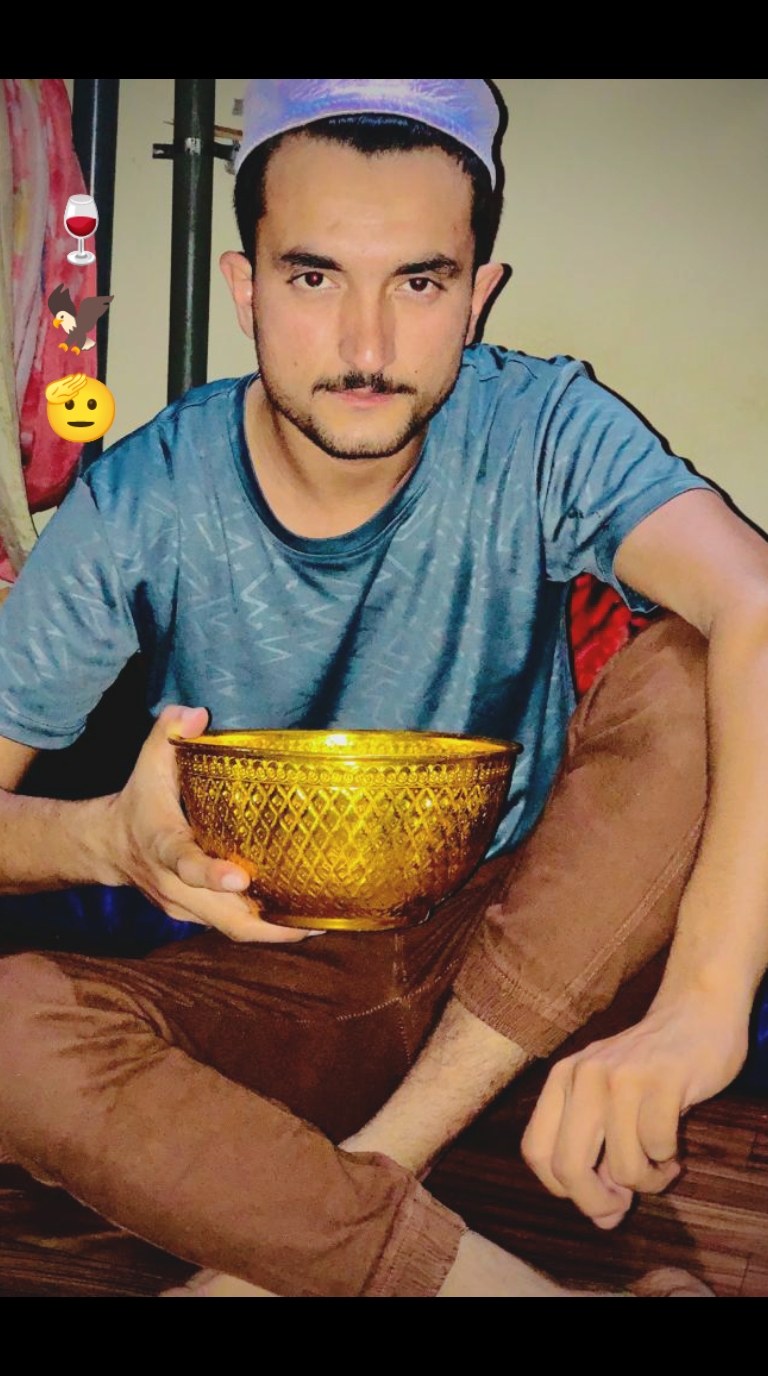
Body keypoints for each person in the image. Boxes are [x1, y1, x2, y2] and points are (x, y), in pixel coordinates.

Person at [0, 77, 764, 1299]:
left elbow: (757, 605)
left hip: (539, 945)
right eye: (314, 277)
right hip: (285, 979)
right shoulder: (141, 499)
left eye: (418, 282)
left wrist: (705, 1002)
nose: (367, 347)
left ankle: (358, 1185)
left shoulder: (538, 424)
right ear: (246, 288)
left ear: (478, 294)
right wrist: (105, 840)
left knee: (685, 661)